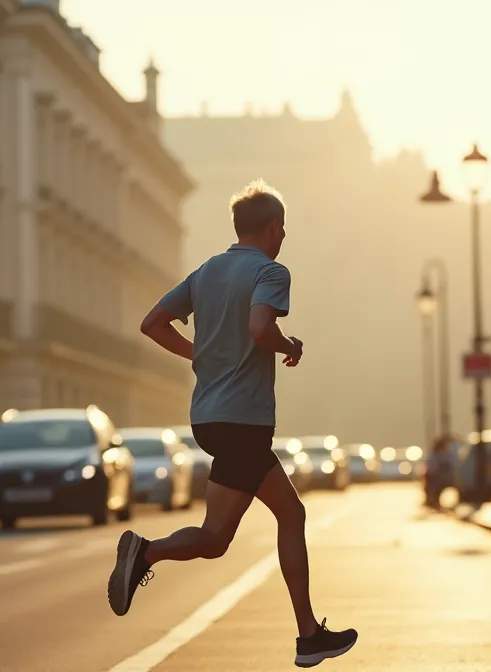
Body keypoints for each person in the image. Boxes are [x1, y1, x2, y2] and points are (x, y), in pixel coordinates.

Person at [109, 180, 357, 668]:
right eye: (281, 231)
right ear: (273, 228)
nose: (282, 238)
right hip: (245, 420)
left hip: (207, 418)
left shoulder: (206, 272)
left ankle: (146, 555)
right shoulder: (271, 270)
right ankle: (306, 636)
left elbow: (152, 323)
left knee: (238, 532)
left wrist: (198, 355)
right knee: (266, 522)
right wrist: (291, 347)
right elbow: (260, 327)